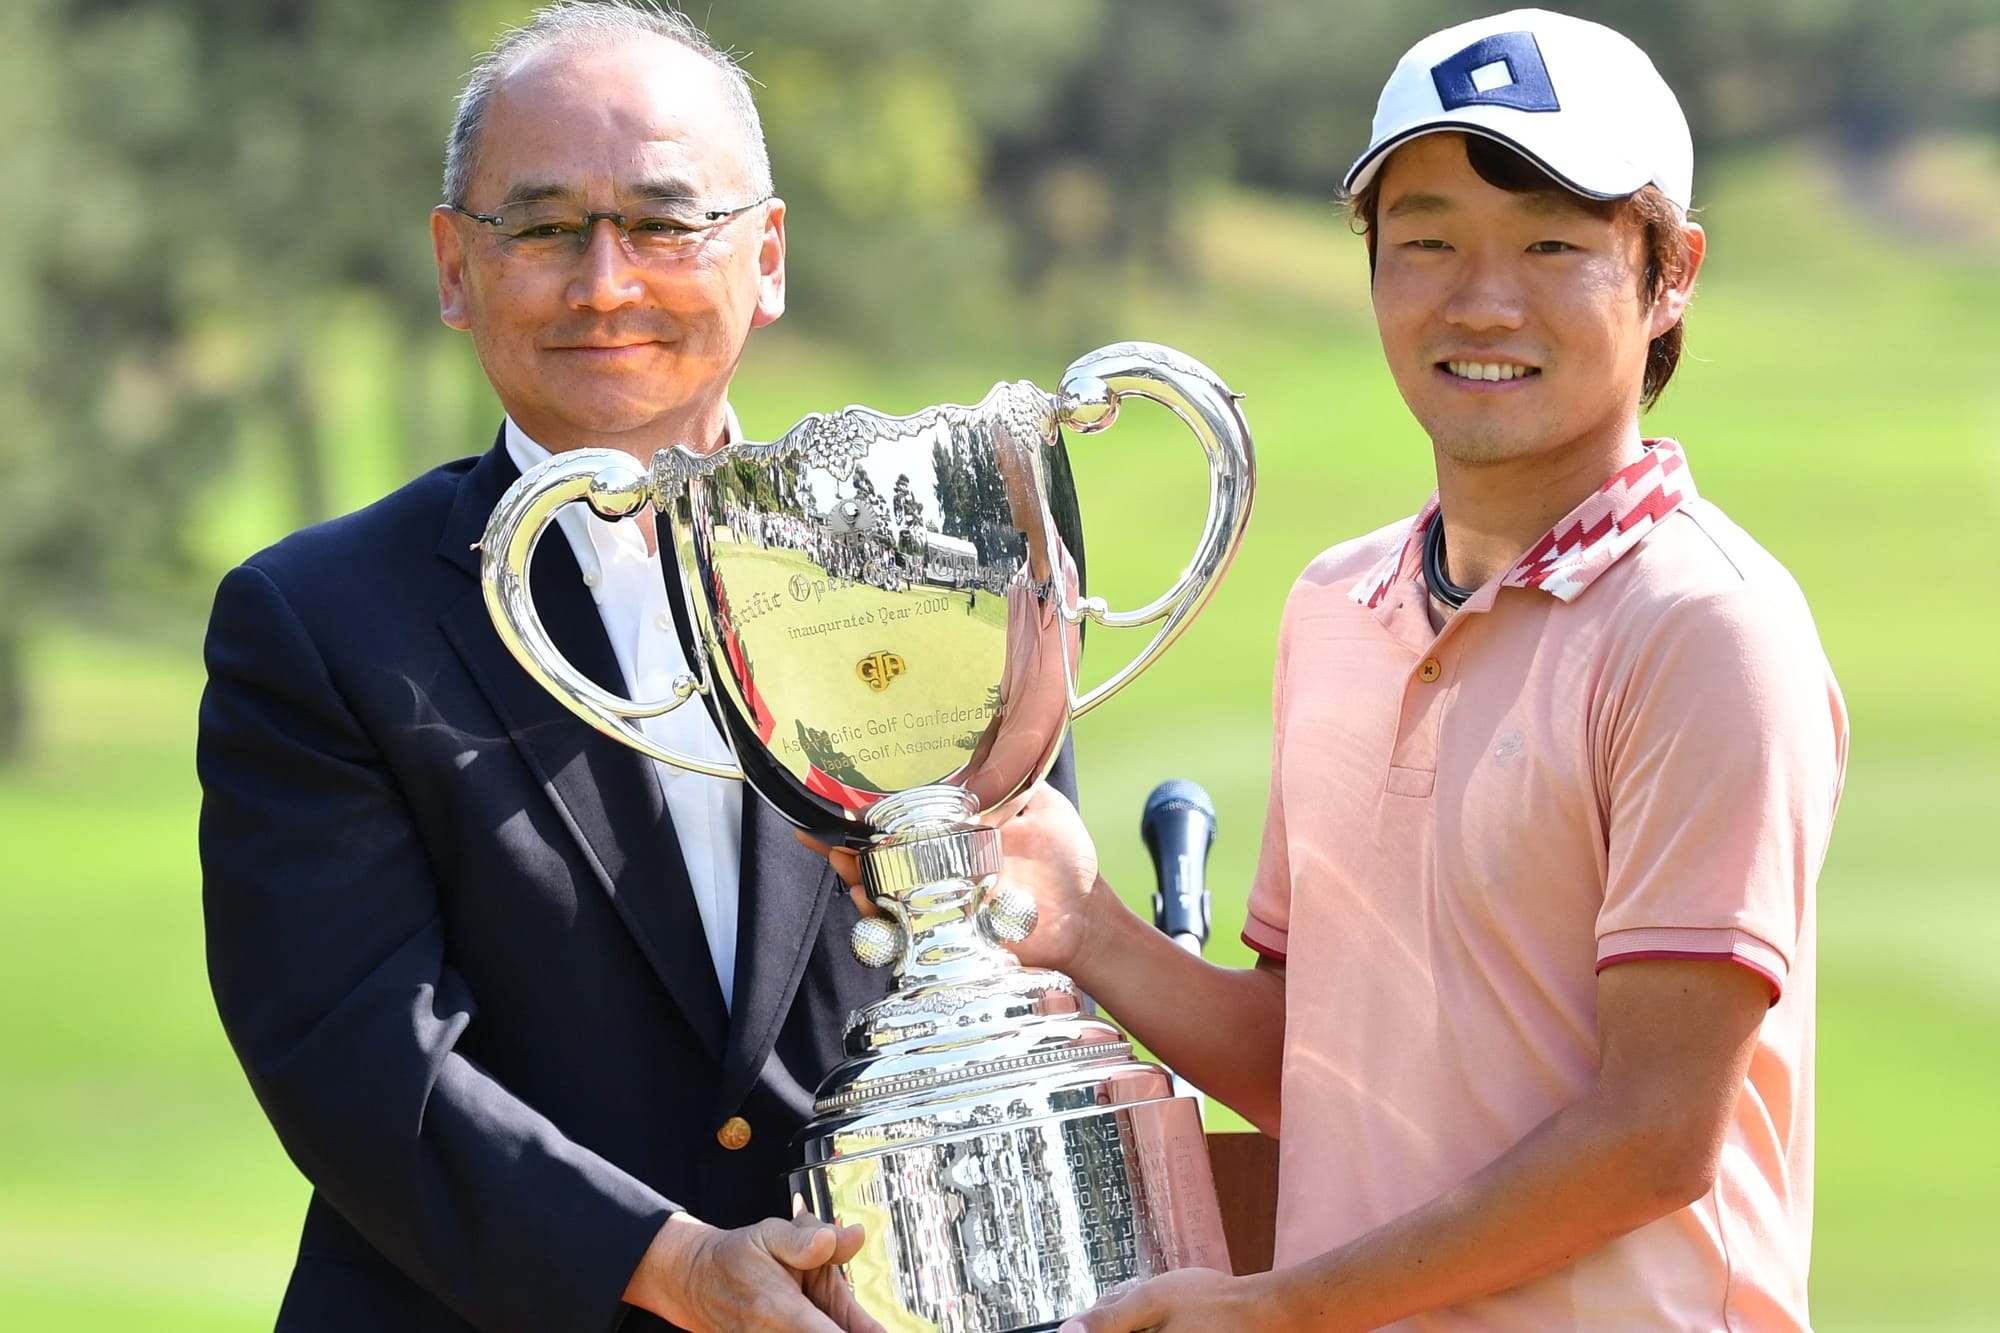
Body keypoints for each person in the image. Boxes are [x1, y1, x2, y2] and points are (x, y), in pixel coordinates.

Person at [971, 10, 1848, 1332]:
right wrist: (1085, 924)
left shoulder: (1707, 627)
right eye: (1427, 239)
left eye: (1554, 244)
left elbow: (1655, 1133)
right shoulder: (1338, 606)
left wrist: (1285, 1306)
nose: (1482, 299)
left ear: (1670, 275)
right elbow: (1320, 1073)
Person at [198, 4, 926, 1330]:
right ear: (454, 266)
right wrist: (668, 1263)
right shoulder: (314, 625)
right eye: (542, 228)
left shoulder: (934, 580)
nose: (606, 283)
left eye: (662, 223)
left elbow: (988, 969)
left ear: (765, 255)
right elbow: (358, 1057)